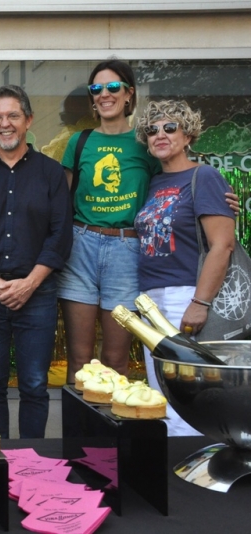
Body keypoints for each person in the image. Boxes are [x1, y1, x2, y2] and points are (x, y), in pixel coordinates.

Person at [0, 85, 72, 439]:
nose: (5, 124)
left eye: (13, 116)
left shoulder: (51, 174)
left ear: (28, 120)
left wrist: (30, 283)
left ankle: (32, 464)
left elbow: (60, 234)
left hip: (38, 294)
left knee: (35, 384)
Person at [134, 100, 235, 436]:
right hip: (152, 299)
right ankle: (173, 476)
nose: (159, 134)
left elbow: (223, 244)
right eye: (152, 130)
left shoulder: (204, 176)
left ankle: (196, 475)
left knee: (191, 395)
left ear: (188, 133)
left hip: (186, 296)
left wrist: (200, 302)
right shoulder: (153, 183)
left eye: (169, 127)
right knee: (165, 395)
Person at [58, 60, 161, 381]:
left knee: (116, 361)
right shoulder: (79, 142)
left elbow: (173, 187)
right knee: (79, 361)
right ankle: (80, 433)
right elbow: (59, 201)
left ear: (129, 94)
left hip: (127, 250)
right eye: (97, 88)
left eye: (113, 87)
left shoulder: (146, 143)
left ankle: (110, 432)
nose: (105, 94)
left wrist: (213, 198)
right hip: (80, 248)